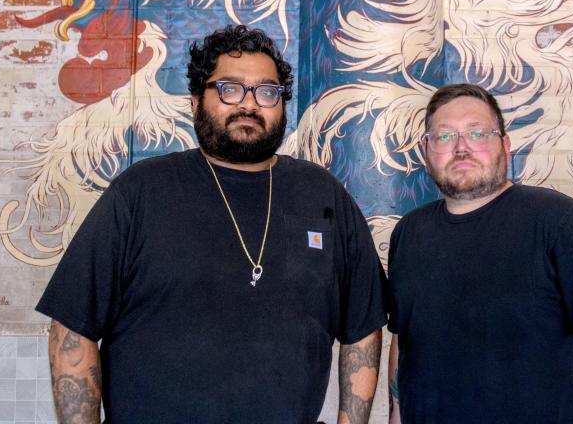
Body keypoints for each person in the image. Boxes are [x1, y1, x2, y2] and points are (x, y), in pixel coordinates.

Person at [37, 24, 387, 424]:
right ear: (194, 102)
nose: (249, 104)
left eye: (266, 91)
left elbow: (362, 327)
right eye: (230, 88)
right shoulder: (140, 192)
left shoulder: (323, 195)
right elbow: (73, 326)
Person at [386, 84, 573, 424]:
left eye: (478, 133)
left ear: (504, 145)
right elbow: (405, 343)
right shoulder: (409, 232)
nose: (461, 148)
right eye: (444, 136)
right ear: (426, 150)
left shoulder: (558, 221)